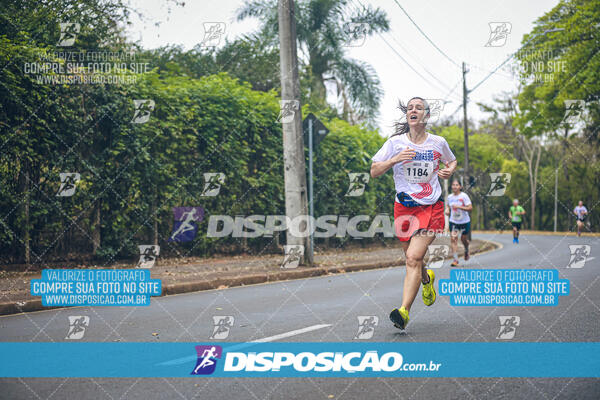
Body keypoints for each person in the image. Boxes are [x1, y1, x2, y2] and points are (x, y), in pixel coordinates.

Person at [371, 97, 457, 330]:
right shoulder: (395, 143)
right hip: (404, 208)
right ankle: (427, 279)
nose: (413, 110)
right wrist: (394, 159)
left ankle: (404, 312)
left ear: (426, 116)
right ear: (407, 115)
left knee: (412, 258)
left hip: (430, 207)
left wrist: (448, 170)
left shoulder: (438, 142)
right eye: (410, 108)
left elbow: (452, 161)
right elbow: (374, 171)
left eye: (418, 108)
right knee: (412, 258)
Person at [446, 179, 472, 266]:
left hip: (464, 221)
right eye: (453, 185)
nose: (455, 186)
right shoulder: (449, 197)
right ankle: (455, 259)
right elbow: (447, 206)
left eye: (457, 185)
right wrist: (447, 210)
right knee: (453, 239)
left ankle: (466, 249)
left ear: (460, 187)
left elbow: (470, 208)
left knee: (463, 239)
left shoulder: (464, 196)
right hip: (454, 221)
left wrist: (459, 207)